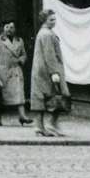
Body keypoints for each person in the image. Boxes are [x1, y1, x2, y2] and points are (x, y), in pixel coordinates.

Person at [31, 8, 69, 137]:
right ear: (44, 20)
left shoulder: (43, 33)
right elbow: (50, 55)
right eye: (51, 19)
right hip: (48, 71)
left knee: (41, 99)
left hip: (40, 70)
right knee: (58, 96)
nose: (54, 21)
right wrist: (54, 72)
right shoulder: (47, 34)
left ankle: (40, 127)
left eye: (54, 19)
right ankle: (52, 124)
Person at [0, 20, 31, 126]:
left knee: (19, 93)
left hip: (15, 71)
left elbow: (24, 54)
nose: (9, 30)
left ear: (15, 29)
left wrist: (21, 60)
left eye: (11, 27)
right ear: (3, 28)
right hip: (2, 72)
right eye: (7, 27)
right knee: (0, 96)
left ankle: (22, 116)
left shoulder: (19, 40)